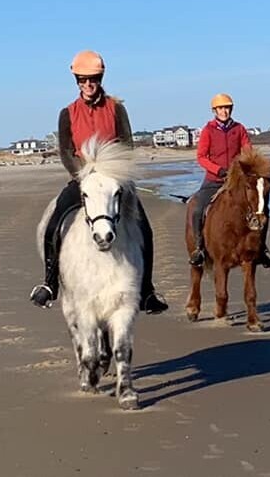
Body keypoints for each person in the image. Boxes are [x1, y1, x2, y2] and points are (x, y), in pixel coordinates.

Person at [29, 50, 169, 313]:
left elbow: (126, 145)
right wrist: (82, 175)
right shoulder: (67, 113)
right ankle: (49, 284)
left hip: (114, 181)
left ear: (101, 78)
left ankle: (147, 291)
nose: (88, 84)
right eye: (83, 80)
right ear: (77, 81)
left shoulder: (117, 109)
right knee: (54, 222)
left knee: (144, 228)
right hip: (82, 180)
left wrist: (114, 175)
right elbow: (66, 151)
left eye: (93, 79)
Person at [187, 93, 270, 268]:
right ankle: (199, 248)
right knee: (198, 209)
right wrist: (218, 170)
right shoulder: (208, 130)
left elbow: (247, 152)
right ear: (215, 110)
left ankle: (262, 249)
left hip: (237, 181)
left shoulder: (239, 129)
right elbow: (201, 157)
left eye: (227, 108)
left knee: (262, 209)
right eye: (221, 108)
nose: (224, 111)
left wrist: (249, 168)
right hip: (214, 179)